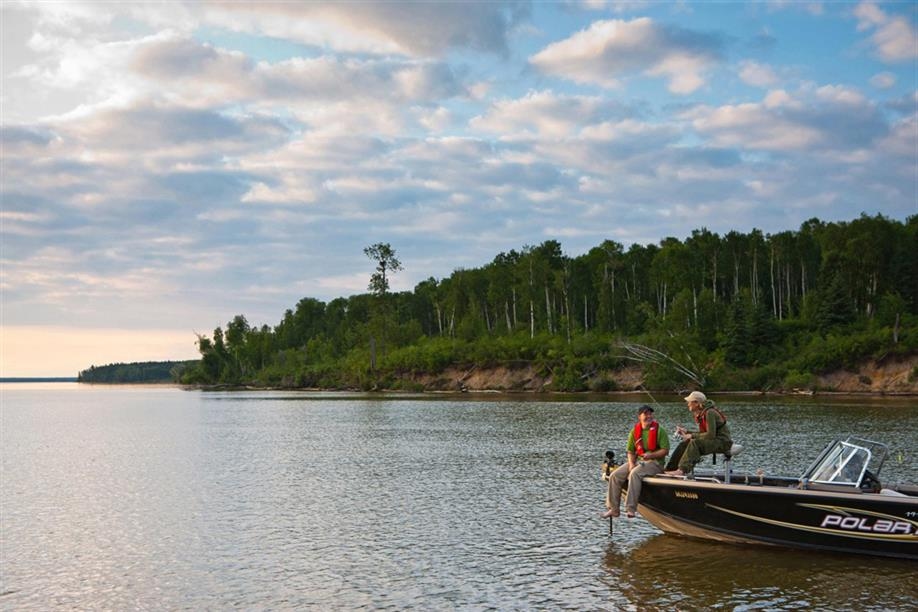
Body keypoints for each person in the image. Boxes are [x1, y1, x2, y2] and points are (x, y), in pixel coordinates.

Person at [603, 405, 670, 519]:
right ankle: (613, 509)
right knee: (614, 475)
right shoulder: (635, 431)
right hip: (639, 462)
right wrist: (631, 463)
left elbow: (665, 450)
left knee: (635, 474)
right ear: (639, 416)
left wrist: (651, 455)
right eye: (646, 414)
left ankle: (631, 509)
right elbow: (630, 451)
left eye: (650, 414)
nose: (649, 416)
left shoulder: (660, 430)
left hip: (655, 463)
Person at [664, 391, 732, 477]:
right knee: (685, 443)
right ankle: (670, 469)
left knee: (694, 443)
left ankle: (682, 470)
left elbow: (710, 435)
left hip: (723, 442)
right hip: (715, 440)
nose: (688, 404)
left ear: (696, 403)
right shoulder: (703, 413)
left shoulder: (709, 413)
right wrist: (687, 432)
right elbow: (704, 433)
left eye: (689, 402)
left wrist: (691, 436)